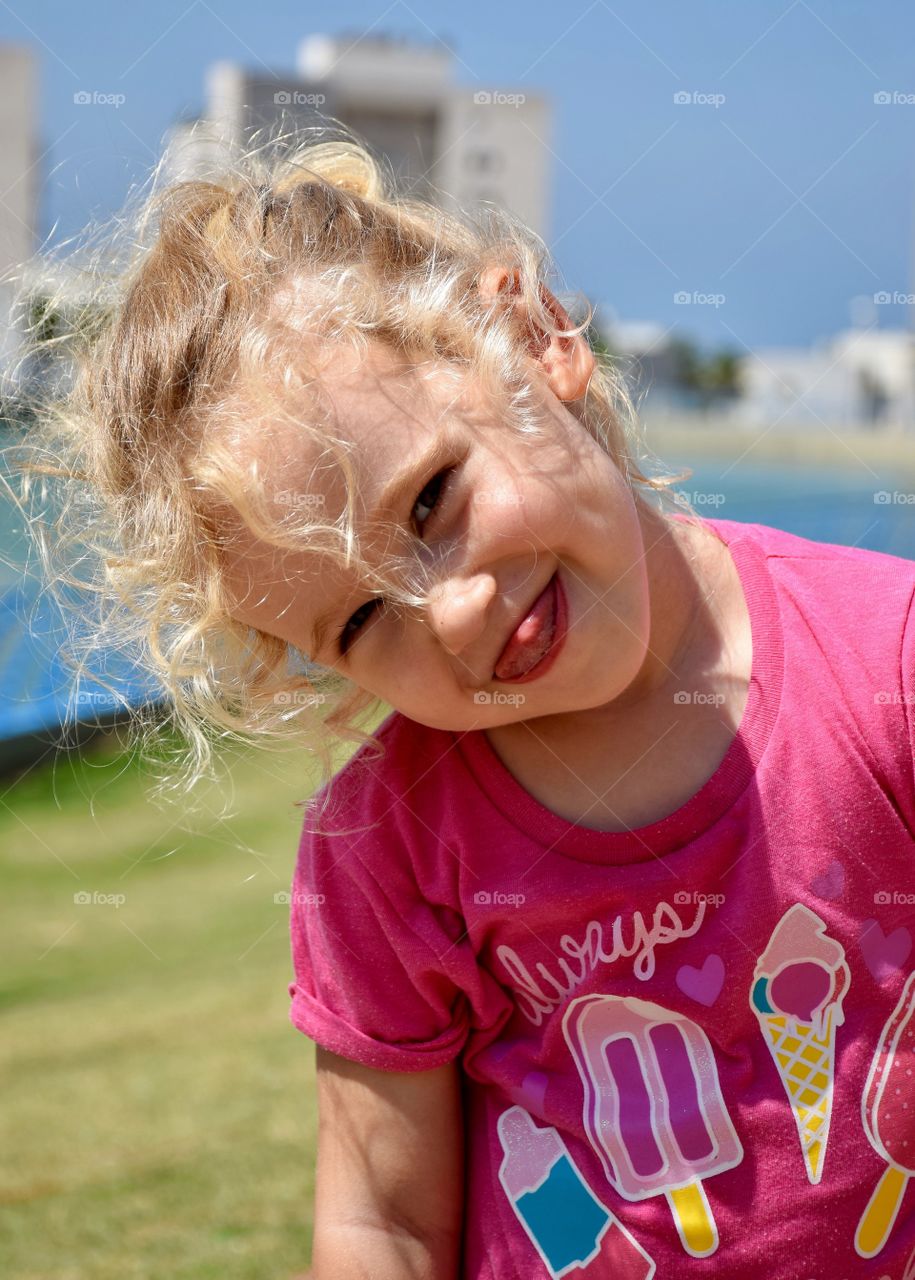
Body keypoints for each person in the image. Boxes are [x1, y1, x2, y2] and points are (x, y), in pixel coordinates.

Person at [14, 123, 915, 1279]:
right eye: (357, 622)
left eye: (432, 500)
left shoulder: (881, 663)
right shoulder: (389, 847)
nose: (447, 615)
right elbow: (381, 1221)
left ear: (533, 339)